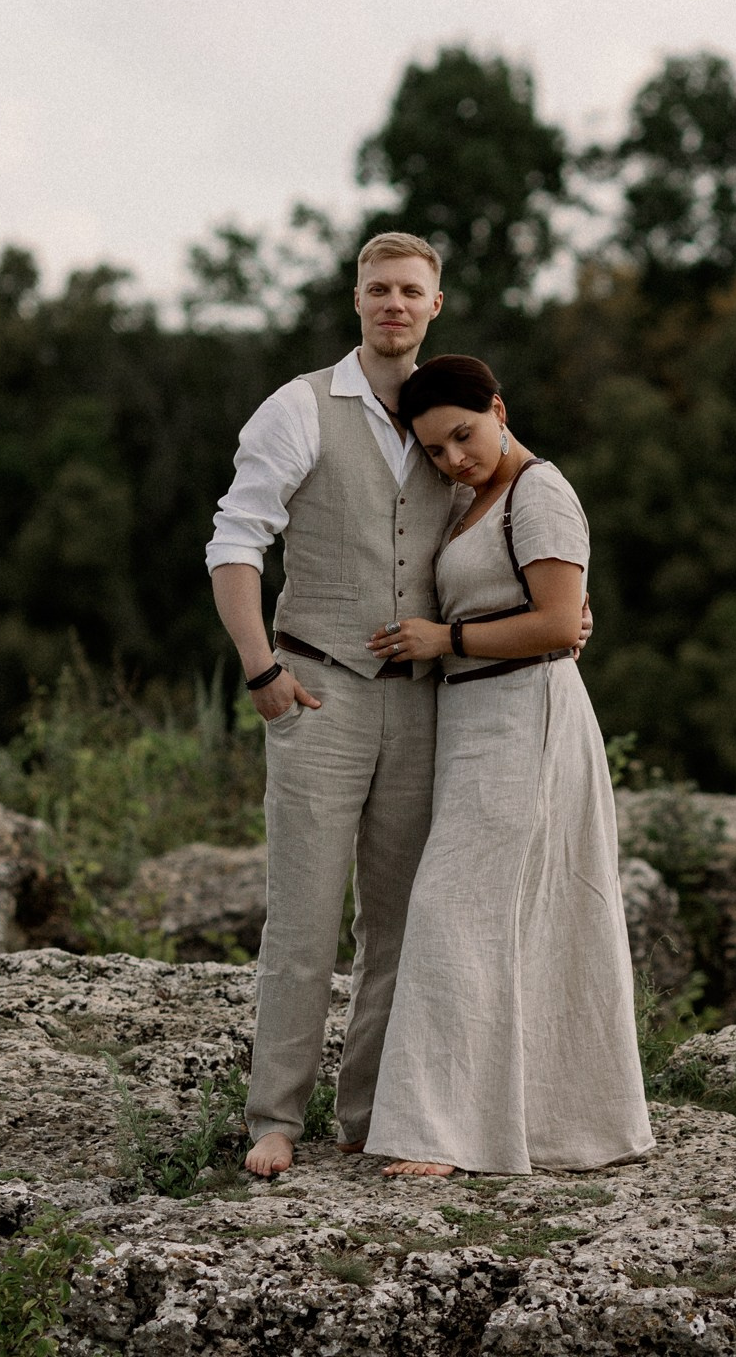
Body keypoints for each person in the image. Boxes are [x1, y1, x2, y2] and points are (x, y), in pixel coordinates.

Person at [205, 232, 462, 1180]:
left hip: (427, 704)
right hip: (315, 690)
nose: (393, 303)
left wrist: (573, 596)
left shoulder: (456, 409)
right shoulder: (299, 406)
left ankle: (371, 1115)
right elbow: (236, 544)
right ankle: (275, 1117)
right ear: (355, 299)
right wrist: (260, 669)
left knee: (400, 922)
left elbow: (518, 504)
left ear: (435, 305)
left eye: (410, 291)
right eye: (377, 289)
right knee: (303, 916)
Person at [362, 355, 653, 1177]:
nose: (455, 457)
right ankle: (542, 1124)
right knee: (495, 915)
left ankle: (442, 1134)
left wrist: (445, 639)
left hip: (525, 714)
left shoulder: (541, 493)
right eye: (437, 449)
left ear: (498, 407)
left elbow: (559, 623)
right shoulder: (467, 498)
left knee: (454, 908)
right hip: (473, 718)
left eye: (465, 434)